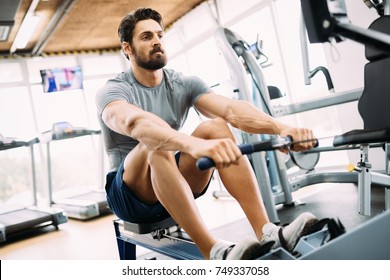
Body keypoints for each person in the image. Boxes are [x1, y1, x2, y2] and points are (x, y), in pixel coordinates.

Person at [96, 7, 319, 260]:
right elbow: (137, 123)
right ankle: (212, 251)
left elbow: (231, 110)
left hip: (171, 176)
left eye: (159, 35)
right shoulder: (113, 91)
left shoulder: (182, 83)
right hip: (128, 196)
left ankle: (267, 231)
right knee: (156, 142)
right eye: (146, 37)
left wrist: (282, 128)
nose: (157, 41)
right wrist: (193, 145)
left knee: (215, 128)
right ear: (128, 48)